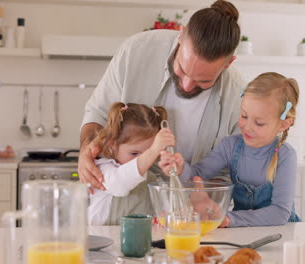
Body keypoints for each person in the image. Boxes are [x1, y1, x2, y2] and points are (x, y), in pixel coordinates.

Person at [78, 0, 246, 221]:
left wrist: (205, 199)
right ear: (181, 35)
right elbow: (97, 114)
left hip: (184, 220)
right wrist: (87, 149)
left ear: (228, 63)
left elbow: (227, 172)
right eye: (182, 69)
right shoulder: (136, 51)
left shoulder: (237, 97)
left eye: (203, 81)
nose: (186, 85)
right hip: (119, 215)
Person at [159, 72, 301, 227]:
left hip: (283, 235)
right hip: (242, 231)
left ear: (284, 124)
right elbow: (197, 173)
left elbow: (279, 213)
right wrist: (180, 168)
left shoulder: (285, 156)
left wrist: (228, 219)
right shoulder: (231, 146)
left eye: (259, 123)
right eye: (244, 116)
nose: (247, 127)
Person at [88, 102, 174, 225]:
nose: (144, 159)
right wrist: (153, 151)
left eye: (148, 154)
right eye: (134, 153)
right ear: (113, 144)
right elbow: (120, 183)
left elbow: (164, 209)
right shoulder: (102, 169)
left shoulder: (151, 177)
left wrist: (162, 217)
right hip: (101, 239)